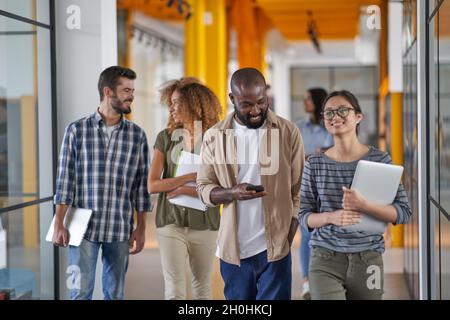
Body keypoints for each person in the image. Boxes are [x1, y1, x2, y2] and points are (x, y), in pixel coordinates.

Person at [197, 68, 304, 300]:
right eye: (246, 104)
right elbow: (203, 188)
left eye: (261, 102)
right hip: (234, 251)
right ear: (232, 99)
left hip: (275, 248)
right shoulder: (214, 136)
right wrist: (231, 192)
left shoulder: (288, 132)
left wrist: (288, 234)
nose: (256, 111)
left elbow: (298, 188)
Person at [299, 90, 412, 300]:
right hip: (324, 259)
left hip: (368, 259)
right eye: (329, 113)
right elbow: (304, 216)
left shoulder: (380, 160)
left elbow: (403, 212)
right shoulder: (314, 164)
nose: (336, 116)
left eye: (343, 110)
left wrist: (364, 205)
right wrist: (330, 217)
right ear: (324, 120)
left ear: (358, 117)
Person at [53, 66, 151, 300]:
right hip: (82, 229)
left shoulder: (137, 136)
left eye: (132, 90)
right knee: (78, 293)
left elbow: (140, 187)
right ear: (108, 92)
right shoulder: (76, 130)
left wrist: (141, 228)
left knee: (115, 295)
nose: (131, 95)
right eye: (126, 90)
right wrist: (59, 223)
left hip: (119, 227)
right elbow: (65, 180)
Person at [148, 78, 221, 300]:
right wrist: (189, 177)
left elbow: (221, 189)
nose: (172, 108)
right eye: (170, 102)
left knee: (202, 287)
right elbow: (153, 185)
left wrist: (182, 190)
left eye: (177, 102)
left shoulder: (216, 140)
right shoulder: (166, 138)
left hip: (205, 224)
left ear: (194, 104)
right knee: (174, 289)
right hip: (170, 223)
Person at [294, 87, 333, 299]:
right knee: (307, 234)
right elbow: (292, 157)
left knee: (327, 233)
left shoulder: (331, 126)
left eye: (308, 98)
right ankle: (307, 283)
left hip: (330, 189)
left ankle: (326, 278)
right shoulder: (299, 127)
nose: (305, 101)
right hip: (306, 188)